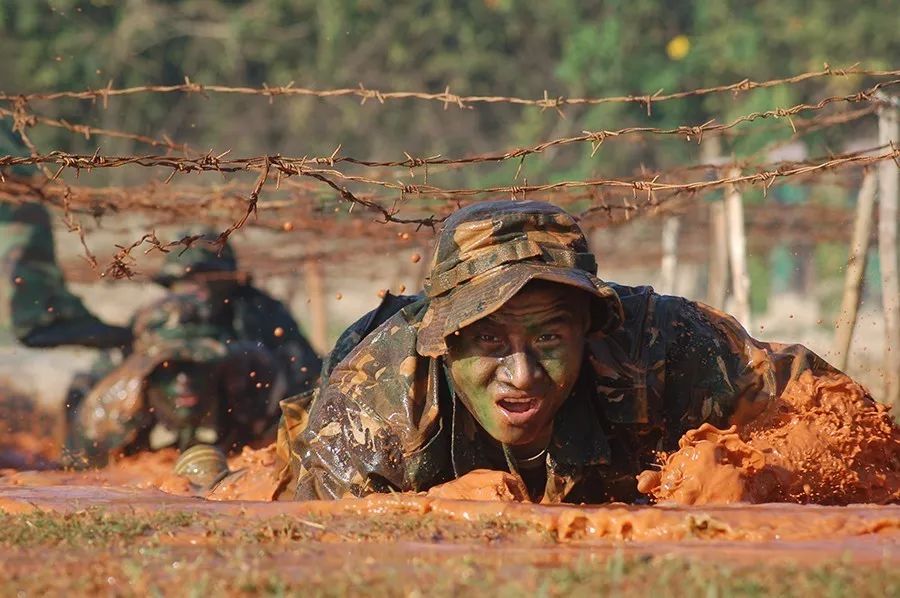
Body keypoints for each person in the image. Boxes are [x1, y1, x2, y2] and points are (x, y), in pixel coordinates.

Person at [273, 199, 869, 504]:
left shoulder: (670, 343)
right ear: (446, 343)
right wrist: (428, 516)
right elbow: (314, 542)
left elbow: (846, 423)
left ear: (590, 326)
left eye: (550, 337)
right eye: (489, 339)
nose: (523, 374)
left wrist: (756, 477)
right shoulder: (376, 398)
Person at [65, 293, 283, 468]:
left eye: (198, 365)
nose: (184, 380)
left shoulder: (253, 388)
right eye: (168, 367)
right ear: (144, 374)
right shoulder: (107, 416)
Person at [153, 232, 321, 396]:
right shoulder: (160, 314)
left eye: (203, 280)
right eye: (186, 282)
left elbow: (303, 368)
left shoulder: (259, 309)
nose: (196, 290)